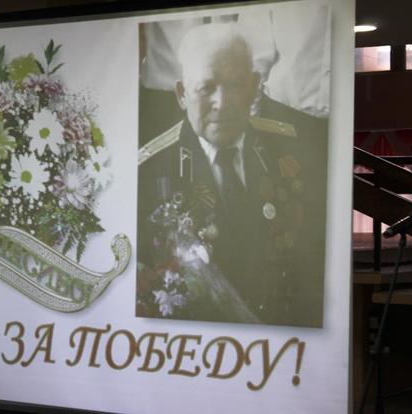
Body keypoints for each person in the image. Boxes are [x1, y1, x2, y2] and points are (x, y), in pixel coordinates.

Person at [136, 23, 326, 327]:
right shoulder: (150, 170)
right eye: (206, 88)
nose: (222, 103)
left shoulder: (290, 153)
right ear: (182, 94)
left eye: (235, 85)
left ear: (254, 86)